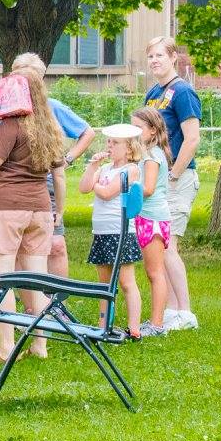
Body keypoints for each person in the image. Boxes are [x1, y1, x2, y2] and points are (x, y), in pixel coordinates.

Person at [0, 68, 71, 363]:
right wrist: (59, 210)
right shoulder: (48, 127)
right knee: (36, 278)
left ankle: (7, 346)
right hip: (40, 209)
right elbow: (58, 169)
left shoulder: (12, 125)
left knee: (2, 279)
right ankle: (40, 344)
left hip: (7, 208)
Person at [6, 52, 97, 279]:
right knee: (18, 247)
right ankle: (29, 305)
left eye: (33, 77)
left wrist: (67, 160)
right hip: (14, 187)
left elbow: (87, 132)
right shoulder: (6, 110)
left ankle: (57, 305)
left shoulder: (51, 107)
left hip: (46, 187)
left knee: (56, 244)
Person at [142, 36, 201, 329]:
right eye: (150, 56)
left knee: (169, 245)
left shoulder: (183, 92)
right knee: (158, 244)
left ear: (173, 57)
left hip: (178, 177)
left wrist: (174, 175)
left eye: (160, 56)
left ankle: (185, 312)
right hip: (157, 179)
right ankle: (169, 310)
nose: (154, 61)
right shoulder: (153, 93)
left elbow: (192, 138)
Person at [80, 129, 149, 340]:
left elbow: (109, 193)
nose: (109, 146)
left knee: (126, 281)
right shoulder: (105, 168)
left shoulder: (131, 169)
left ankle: (134, 327)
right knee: (104, 283)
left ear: (129, 148)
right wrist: (92, 167)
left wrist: (97, 185)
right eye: (108, 142)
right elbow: (84, 187)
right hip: (101, 230)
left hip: (119, 230)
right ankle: (104, 325)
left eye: (115, 143)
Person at [130, 108, 176, 337]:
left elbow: (147, 189)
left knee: (155, 272)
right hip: (145, 216)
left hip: (153, 218)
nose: (134, 132)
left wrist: (125, 187)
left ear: (152, 131)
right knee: (152, 271)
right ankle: (154, 321)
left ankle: (157, 324)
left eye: (138, 128)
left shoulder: (152, 156)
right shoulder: (146, 153)